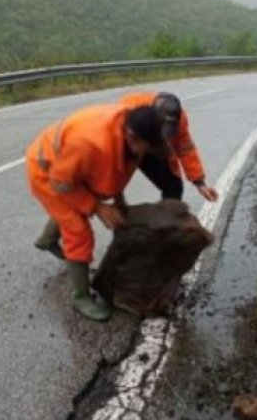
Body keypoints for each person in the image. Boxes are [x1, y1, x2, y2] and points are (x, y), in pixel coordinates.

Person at [26, 103, 167, 321]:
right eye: (146, 147)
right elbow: (61, 184)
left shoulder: (133, 129)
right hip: (49, 174)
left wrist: (119, 200)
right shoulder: (87, 144)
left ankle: (47, 239)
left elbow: (121, 169)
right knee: (78, 229)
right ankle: (80, 296)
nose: (147, 153)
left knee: (87, 200)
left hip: (72, 171)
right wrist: (98, 208)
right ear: (131, 136)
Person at [118, 91, 219, 203]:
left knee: (174, 187)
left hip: (155, 148)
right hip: (127, 144)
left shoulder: (180, 119)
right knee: (110, 182)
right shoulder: (130, 106)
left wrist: (199, 183)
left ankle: (167, 219)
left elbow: (185, 148)